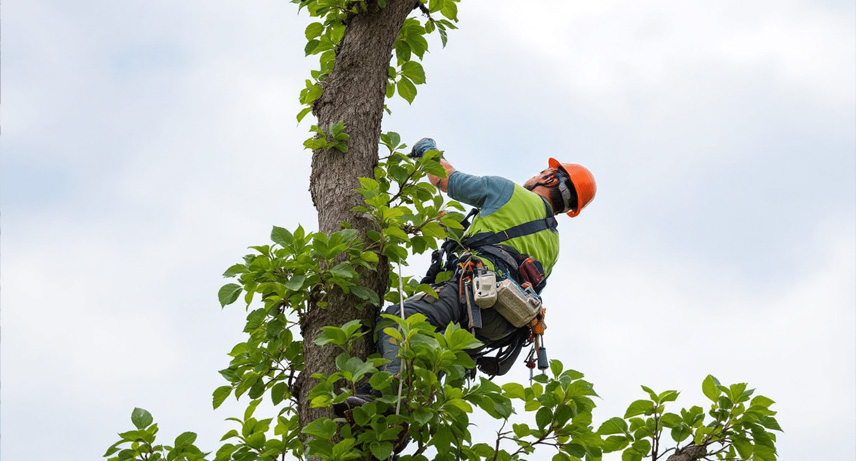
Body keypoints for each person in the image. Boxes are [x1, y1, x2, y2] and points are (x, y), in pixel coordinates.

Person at [334, 138, 596, 415]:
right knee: (429, 354)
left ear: (551, 178)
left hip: (476, 292)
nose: (534, 175)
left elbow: (447, 179)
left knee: (397, 320)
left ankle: (383, 397)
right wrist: (454, 232)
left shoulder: (508, 191)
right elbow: (509, 258)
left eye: (540, 172)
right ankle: (401, 423)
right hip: (500, 326)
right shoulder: (553, 244)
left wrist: (427, 152)